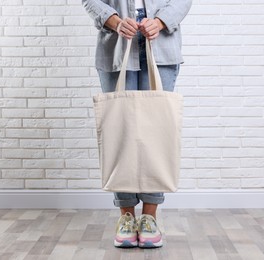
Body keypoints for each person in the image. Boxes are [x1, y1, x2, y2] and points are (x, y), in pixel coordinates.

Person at [82, 0, 192, 248]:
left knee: (157, 134)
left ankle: (150, 218)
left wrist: (161, 21)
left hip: (161, 43)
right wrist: (116, 21)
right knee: (120, 133)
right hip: (116, 43)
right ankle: (126, 218)